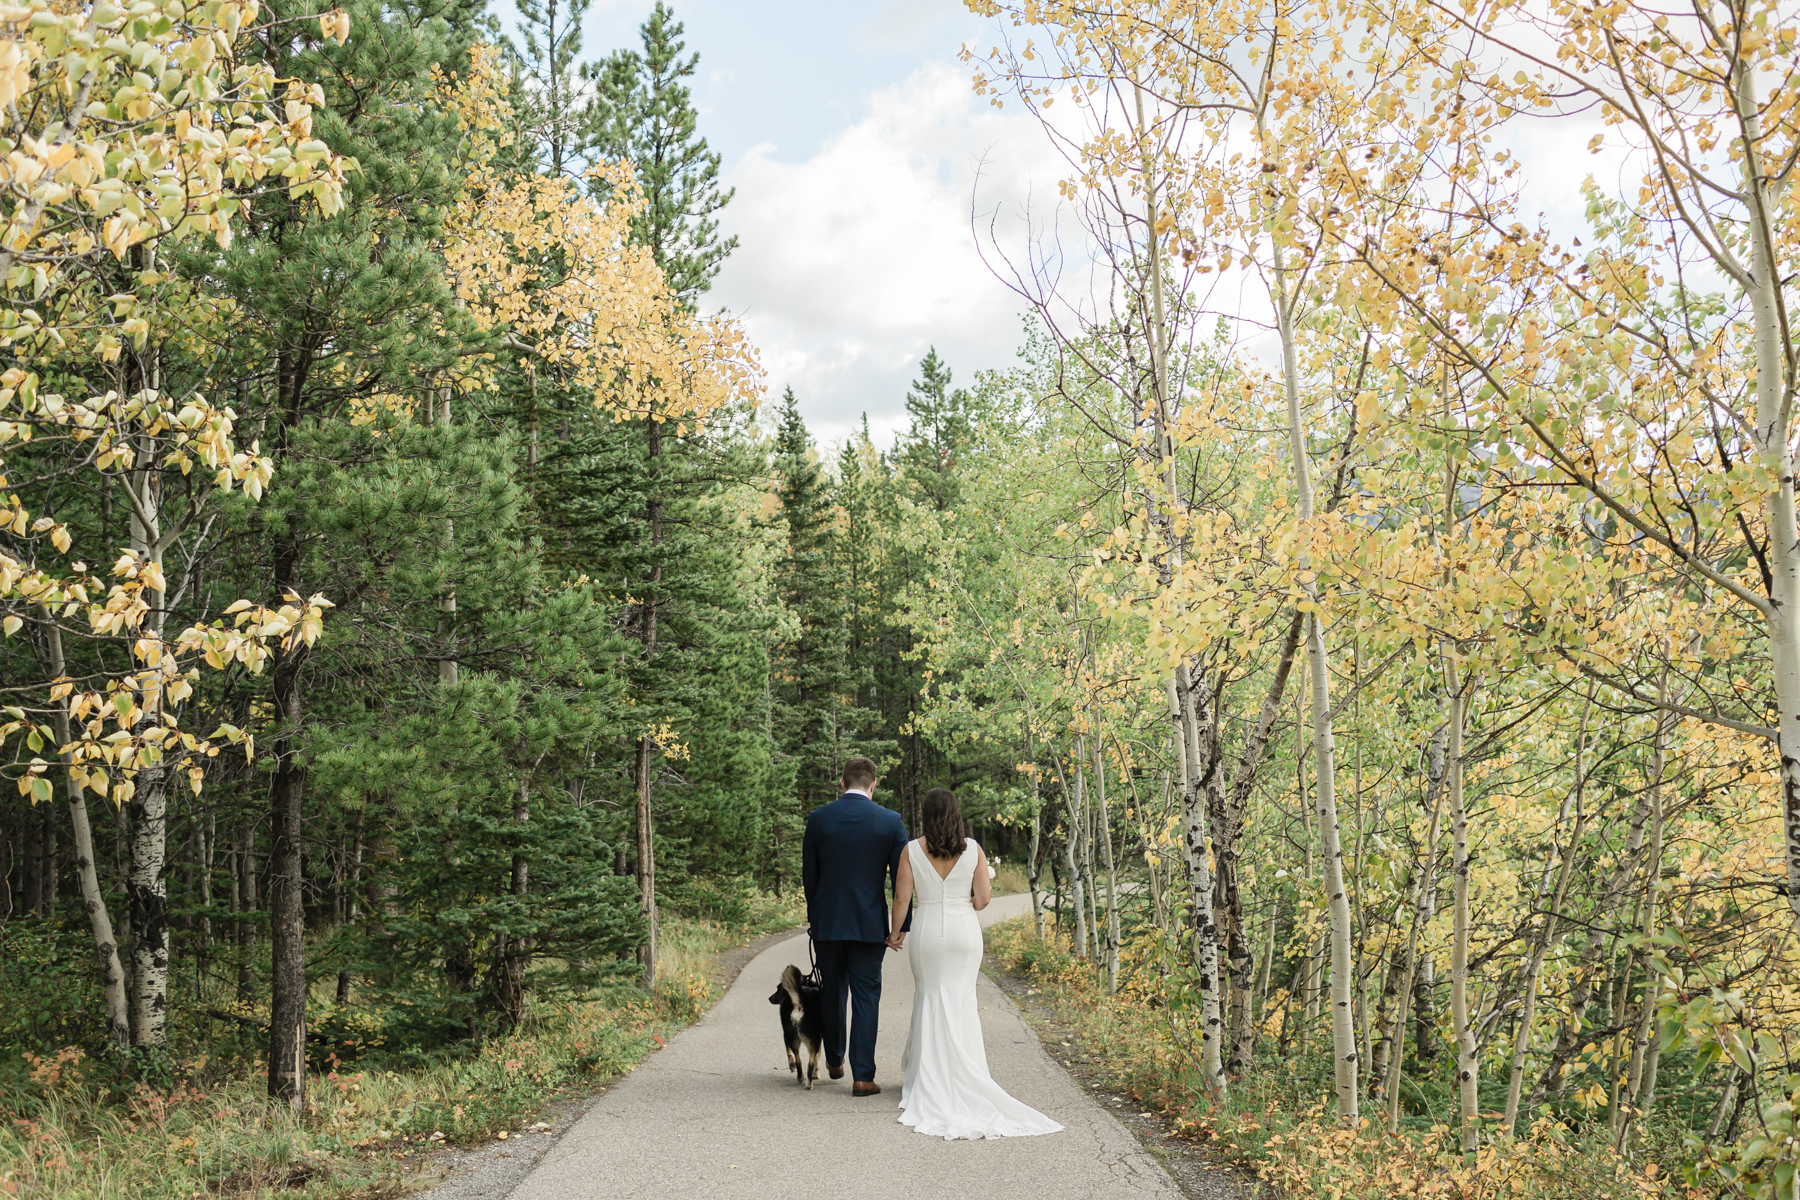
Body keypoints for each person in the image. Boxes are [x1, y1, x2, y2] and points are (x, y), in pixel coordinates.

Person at [888, 787, 1063, 1140]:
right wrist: (962, 898)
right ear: (956, 813)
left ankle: (926, 1076)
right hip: (964, 934)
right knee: (962, 1001)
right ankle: (965, 1071)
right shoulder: (974, 849)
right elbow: (982, 900)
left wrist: (895, 934)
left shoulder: (910, 850)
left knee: (929, 997)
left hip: (926, 933)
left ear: (926, 814)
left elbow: (902, 897)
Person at [801, 757, 910, 1097]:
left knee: (833, 992)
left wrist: (816, 918)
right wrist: (899, 927)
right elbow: (902, 881)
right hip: (869, 925)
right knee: (866, 998)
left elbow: (810, 876)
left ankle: (834, 1059)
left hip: (829, 925)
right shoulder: (890, 821)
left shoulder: (818, 819)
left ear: (842, 783)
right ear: (873, 785)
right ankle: (863, 1076)